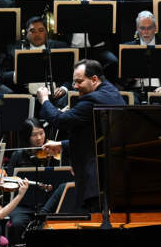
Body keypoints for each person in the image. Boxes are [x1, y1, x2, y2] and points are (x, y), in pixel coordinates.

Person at [36, 59, 126, 211]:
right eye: (74, 82)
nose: (76, 86)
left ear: (94, 79)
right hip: (111, 175)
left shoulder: (93, 100)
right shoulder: (111, 92)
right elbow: (93, 136)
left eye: (79, 81)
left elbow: (59, 120)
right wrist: (62, 145)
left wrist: (44, 100)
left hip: (97, 179)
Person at [60, 0, 118, 81]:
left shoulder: (105, 0)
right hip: (73, 48)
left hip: (97, 48)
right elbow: (60, 27)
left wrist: (94, 7)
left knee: (113, 62)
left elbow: (108, 27)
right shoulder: (63, 0)